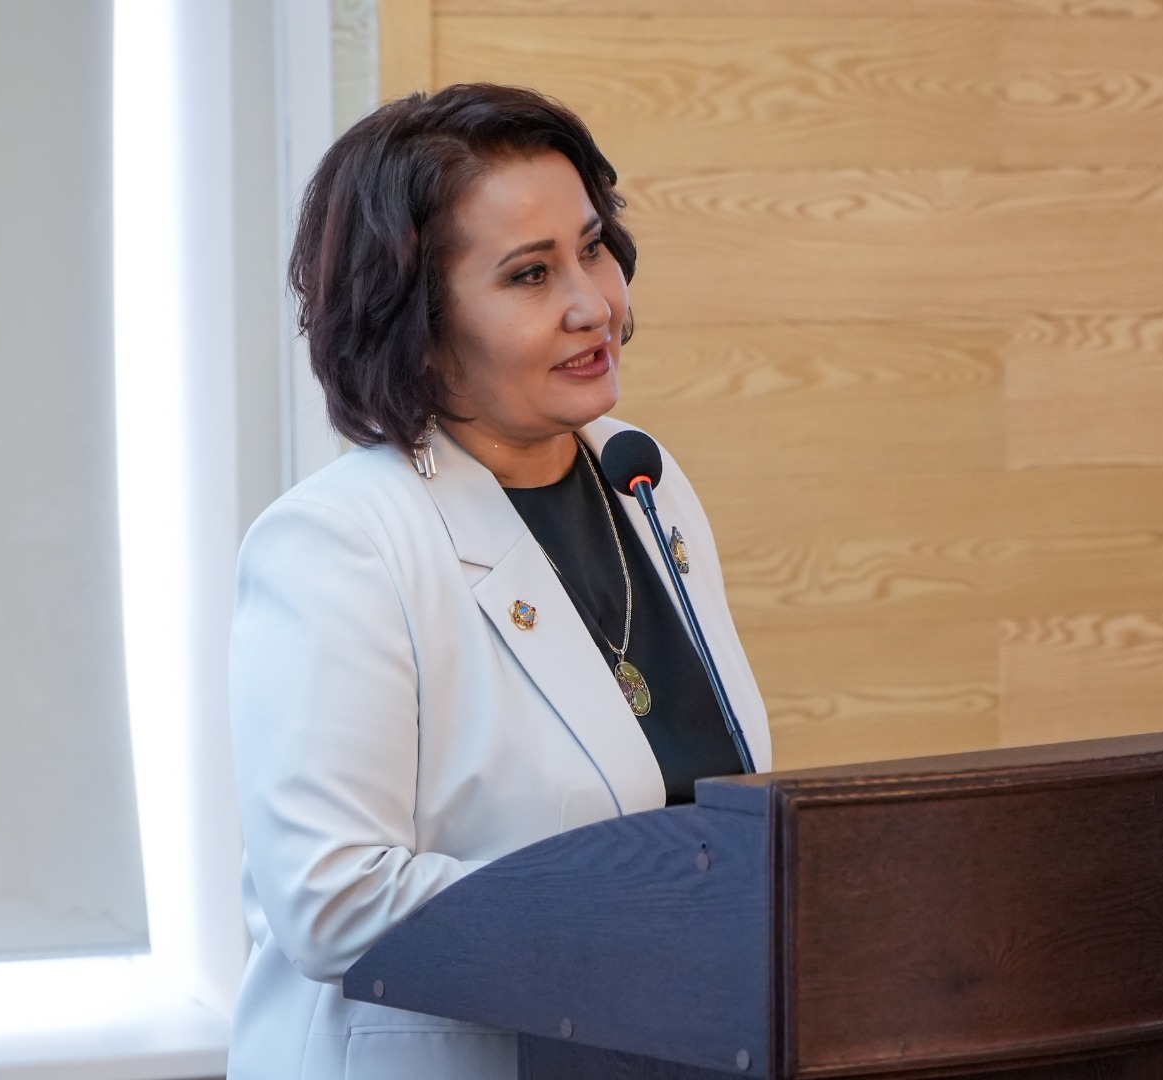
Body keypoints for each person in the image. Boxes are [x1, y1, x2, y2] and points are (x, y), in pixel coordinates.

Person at [226, 83, 771, 1080]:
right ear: (419, 326)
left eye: (593, 249)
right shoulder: (340, 543)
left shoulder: (643, 479)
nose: (593, 304)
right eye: (530, 275)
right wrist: (654, 920)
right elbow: (332, 901)